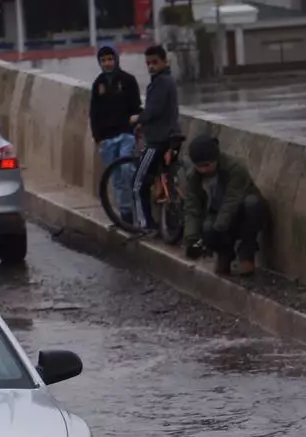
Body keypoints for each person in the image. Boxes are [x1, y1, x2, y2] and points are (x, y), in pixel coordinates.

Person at [181, 135, 269, 277]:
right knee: (207, 228)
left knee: (253, 204)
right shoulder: (193, 178)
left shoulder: (235, 169)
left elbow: (232, 201)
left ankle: (246, 254)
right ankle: (225, 253)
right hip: (216, 214)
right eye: (199, 167)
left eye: (207, 165)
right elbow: (192, 208)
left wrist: (218, 228)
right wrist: (191, 239)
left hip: (240, 213)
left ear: (216, 159)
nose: (204, 170)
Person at [129, 44, 181, 233]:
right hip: (170, 136)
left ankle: (145, 226)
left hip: (158, 141)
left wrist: (138, 119)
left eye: (154, 62)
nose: (151, 66)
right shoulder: (165, 80)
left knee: (137, 183)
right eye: (148, 63)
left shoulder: (161, 83)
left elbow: (154, 110)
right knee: (160, 177)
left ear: (164, 62)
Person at [89, 45, 142, 225]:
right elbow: (94, 113)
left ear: (116, 59)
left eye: (110, 59)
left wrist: (136, 124)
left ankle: (138, 210)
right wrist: (99, 138)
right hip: (107, 138)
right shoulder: (98, 84)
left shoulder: (128, 80)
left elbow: (136, 106)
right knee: (117, 178)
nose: (107, 63)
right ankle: (125, 213)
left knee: (128, 170)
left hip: (126, 133)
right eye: (103, 60)